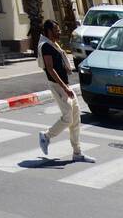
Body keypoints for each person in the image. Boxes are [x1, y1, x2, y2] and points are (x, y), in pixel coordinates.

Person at [37, 19, 94, 163]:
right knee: (68, 116)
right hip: (58, 86)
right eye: (56, 29)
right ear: (49, 31)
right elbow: (50, 69)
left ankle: (77, 153)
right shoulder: (45, 46)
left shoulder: (53, 44)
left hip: (64, 85)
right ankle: (46, 136)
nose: (59, 31)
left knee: (75, 119)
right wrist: (64, 87)